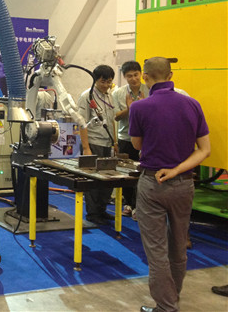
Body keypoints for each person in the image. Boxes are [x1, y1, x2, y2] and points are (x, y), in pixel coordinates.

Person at [129, 57, 210, 312]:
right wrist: (176, 170)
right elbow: (204, 150)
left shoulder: (139, 107)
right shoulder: (192, 104)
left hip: (152, 182)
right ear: (171, 75)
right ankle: (173, 297)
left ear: (145, 77)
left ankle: (166, 307)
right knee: (178, 247)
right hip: (183, 183)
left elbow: (137, 144)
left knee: (157, 251)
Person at [78, 65, 117, 226]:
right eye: (103, 81)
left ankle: (102, 209)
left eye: (109, 81)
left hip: (108, 143)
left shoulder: (110, 96)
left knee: (108, 179)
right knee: (93, 181)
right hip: (93, 143)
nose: (106, 85)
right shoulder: (86, 96)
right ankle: (93, 213)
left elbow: (111, 120)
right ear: (95, 80)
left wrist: (115, 142)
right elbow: (82, 123)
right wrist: (86, 148)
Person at [112, 60, 149, 217]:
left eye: (136, 75)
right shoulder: (118, 93)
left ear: (141, 74)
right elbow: (116, 116)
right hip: (125, 138)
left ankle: (139, 206)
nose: (133, 79)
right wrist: (130, 108)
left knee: (143, 174)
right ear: (124, 77)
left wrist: (142, 107)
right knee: (126, 173)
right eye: (129, 76)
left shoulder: (149, 90)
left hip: (146, 139)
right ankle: (128, 204)